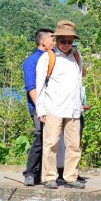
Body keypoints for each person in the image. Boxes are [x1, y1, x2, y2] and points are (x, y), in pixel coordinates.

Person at [35, 20, 85, 189]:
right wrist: (40, 109)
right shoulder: (47, 57)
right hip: (53, 107)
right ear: (56, 40)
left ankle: (71, 176)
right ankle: (49, 176)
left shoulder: (77, 57)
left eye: (69, 41)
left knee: (74, 145)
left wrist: (80, 105)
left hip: (73, 108)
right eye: (62, 40)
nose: (66, 44)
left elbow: (79, 83)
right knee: (51, 144)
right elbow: (40, 85)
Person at [22, 28, 54, 186]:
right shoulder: (32, 60)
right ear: (43, 41)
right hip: (39, 107)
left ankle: (48, 173)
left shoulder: (54, 58)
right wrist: (39, 107)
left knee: (54, 140)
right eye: (52, 39)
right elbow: (31, 87)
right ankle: (30, 172)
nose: (54, 42)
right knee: (40, 136)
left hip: (55, 106)